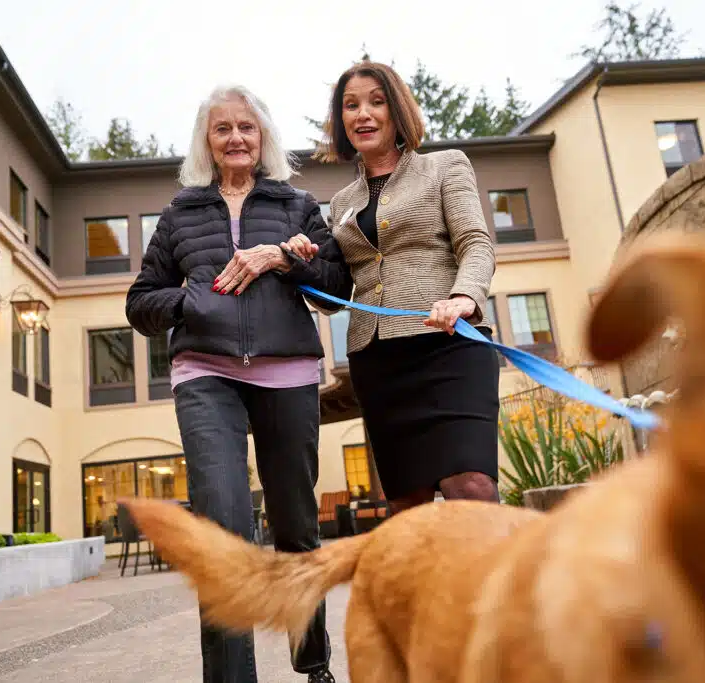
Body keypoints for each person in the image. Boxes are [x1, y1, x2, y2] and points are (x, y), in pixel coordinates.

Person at [125, 84, 337, 683]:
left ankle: (313, 659)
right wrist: (190, 299)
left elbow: (337, 284)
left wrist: (287, 258)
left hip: (287, 373)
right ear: (207, 141)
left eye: (246, 127)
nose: (236, 138)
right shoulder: (179, 213)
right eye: (223, 129)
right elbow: (140, 303)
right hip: (205, 373)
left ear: (262, 135)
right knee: (221, 528)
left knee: (296, 525)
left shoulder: (296, 205)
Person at [280, 61, 501, 517]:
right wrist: (304, 266)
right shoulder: (341, 204)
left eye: (376, 102)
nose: (363, 114)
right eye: (351, 105)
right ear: (341, 121)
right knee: (406, 506)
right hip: (378, 361)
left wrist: (464, 297)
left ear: (396, 110)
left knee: (472, 485)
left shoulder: (445, 167)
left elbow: (475, 242)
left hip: (449, 347)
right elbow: (328, 298)